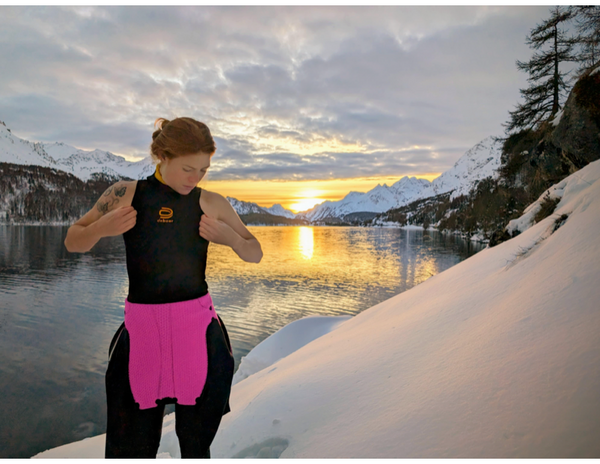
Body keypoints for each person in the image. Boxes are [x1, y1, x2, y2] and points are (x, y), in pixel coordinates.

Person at [64, 117, 263, 458]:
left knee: (196, 445)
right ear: (163, 156)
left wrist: (228, 237)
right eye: (188, 168)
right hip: (144, 335)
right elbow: (73, 240)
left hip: (197, 335)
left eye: (203, 170)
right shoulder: (125, 193)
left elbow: (254, 252)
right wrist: (102, 228)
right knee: (132, 449)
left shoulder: (210, 202)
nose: (195, 178)